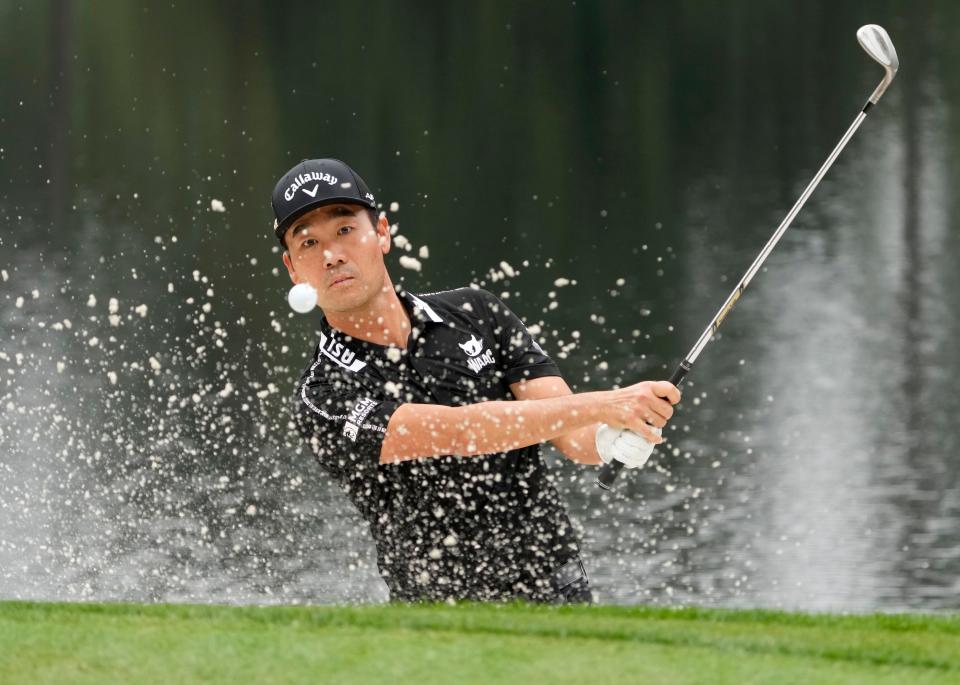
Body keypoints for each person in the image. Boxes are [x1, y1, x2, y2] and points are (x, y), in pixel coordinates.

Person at [272, 158, 681, 604]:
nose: (332, 254)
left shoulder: (476, 312)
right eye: (309, 243)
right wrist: (608, 404)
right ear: (294, 269)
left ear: (383, 233)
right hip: (437, 613)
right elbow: (463, 432)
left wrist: (610, 439)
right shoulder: (322, 396)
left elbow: (570, 433)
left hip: (555, 586)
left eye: (345, 230)